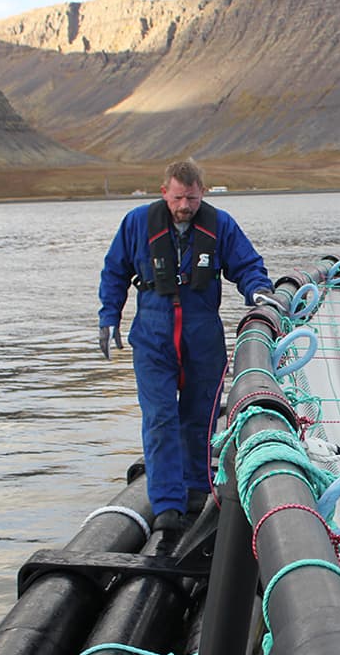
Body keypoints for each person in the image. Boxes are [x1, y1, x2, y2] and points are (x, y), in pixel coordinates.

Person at [98, 159, 274, 532]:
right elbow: (115, 271)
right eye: (178, 198)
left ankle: (197, 488)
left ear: (202, 194)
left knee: (201, 417)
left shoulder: (219, 224)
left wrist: (258, 291)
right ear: (164, 192)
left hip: (202, 337)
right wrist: (108, 316)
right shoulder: (136, 223)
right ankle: (166, 504)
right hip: (153, 337)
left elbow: (247, 265)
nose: (184, 206)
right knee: (160, 419)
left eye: (192, 199)